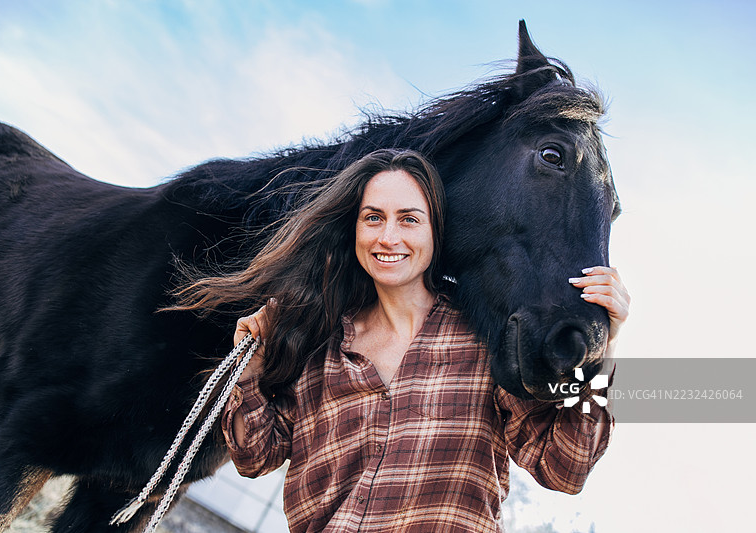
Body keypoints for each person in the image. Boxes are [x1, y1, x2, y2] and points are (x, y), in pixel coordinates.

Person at [176, 149, 629, 532]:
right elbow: (256, 457)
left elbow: (563, 468)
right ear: (354, 229)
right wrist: (249, 376)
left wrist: (601, 353)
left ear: (435, 230)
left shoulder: (485, 341)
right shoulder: (319, 344)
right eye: (373, 218)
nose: (388, 237)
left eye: (409, 219)